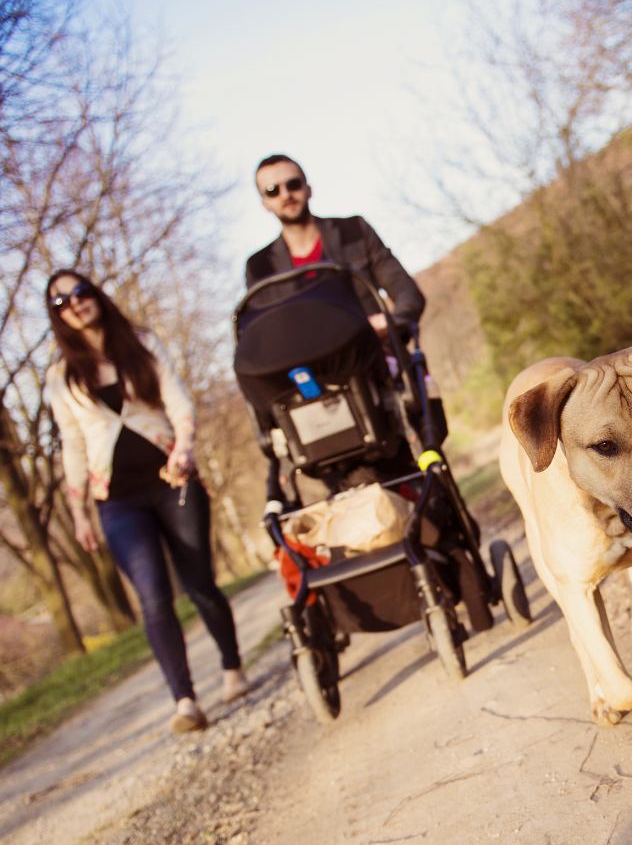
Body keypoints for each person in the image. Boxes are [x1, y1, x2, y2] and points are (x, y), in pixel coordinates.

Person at [45, 271, 249, 733]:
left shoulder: (142, 345)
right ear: (57, 317)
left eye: (80, 293)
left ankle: (233, 667)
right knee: (154, 597)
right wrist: (79, 511)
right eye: (61, 303)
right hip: (116, 501)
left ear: (95, 296)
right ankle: (185, 701)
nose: (74, 304)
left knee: (200, 584)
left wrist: (184, 446)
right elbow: (73, 444)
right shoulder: (62, 377)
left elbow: (179, 403)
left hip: (172, 481)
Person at [244, 154, 425, 335]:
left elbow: (404, 288)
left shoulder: (354, 230)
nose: (286, 194)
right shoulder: (259, 267)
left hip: (377, 352)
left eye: (293, 184)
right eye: (272, 190)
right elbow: (261, 333)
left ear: (308, 189)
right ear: (264, 204)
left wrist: (394, 324)